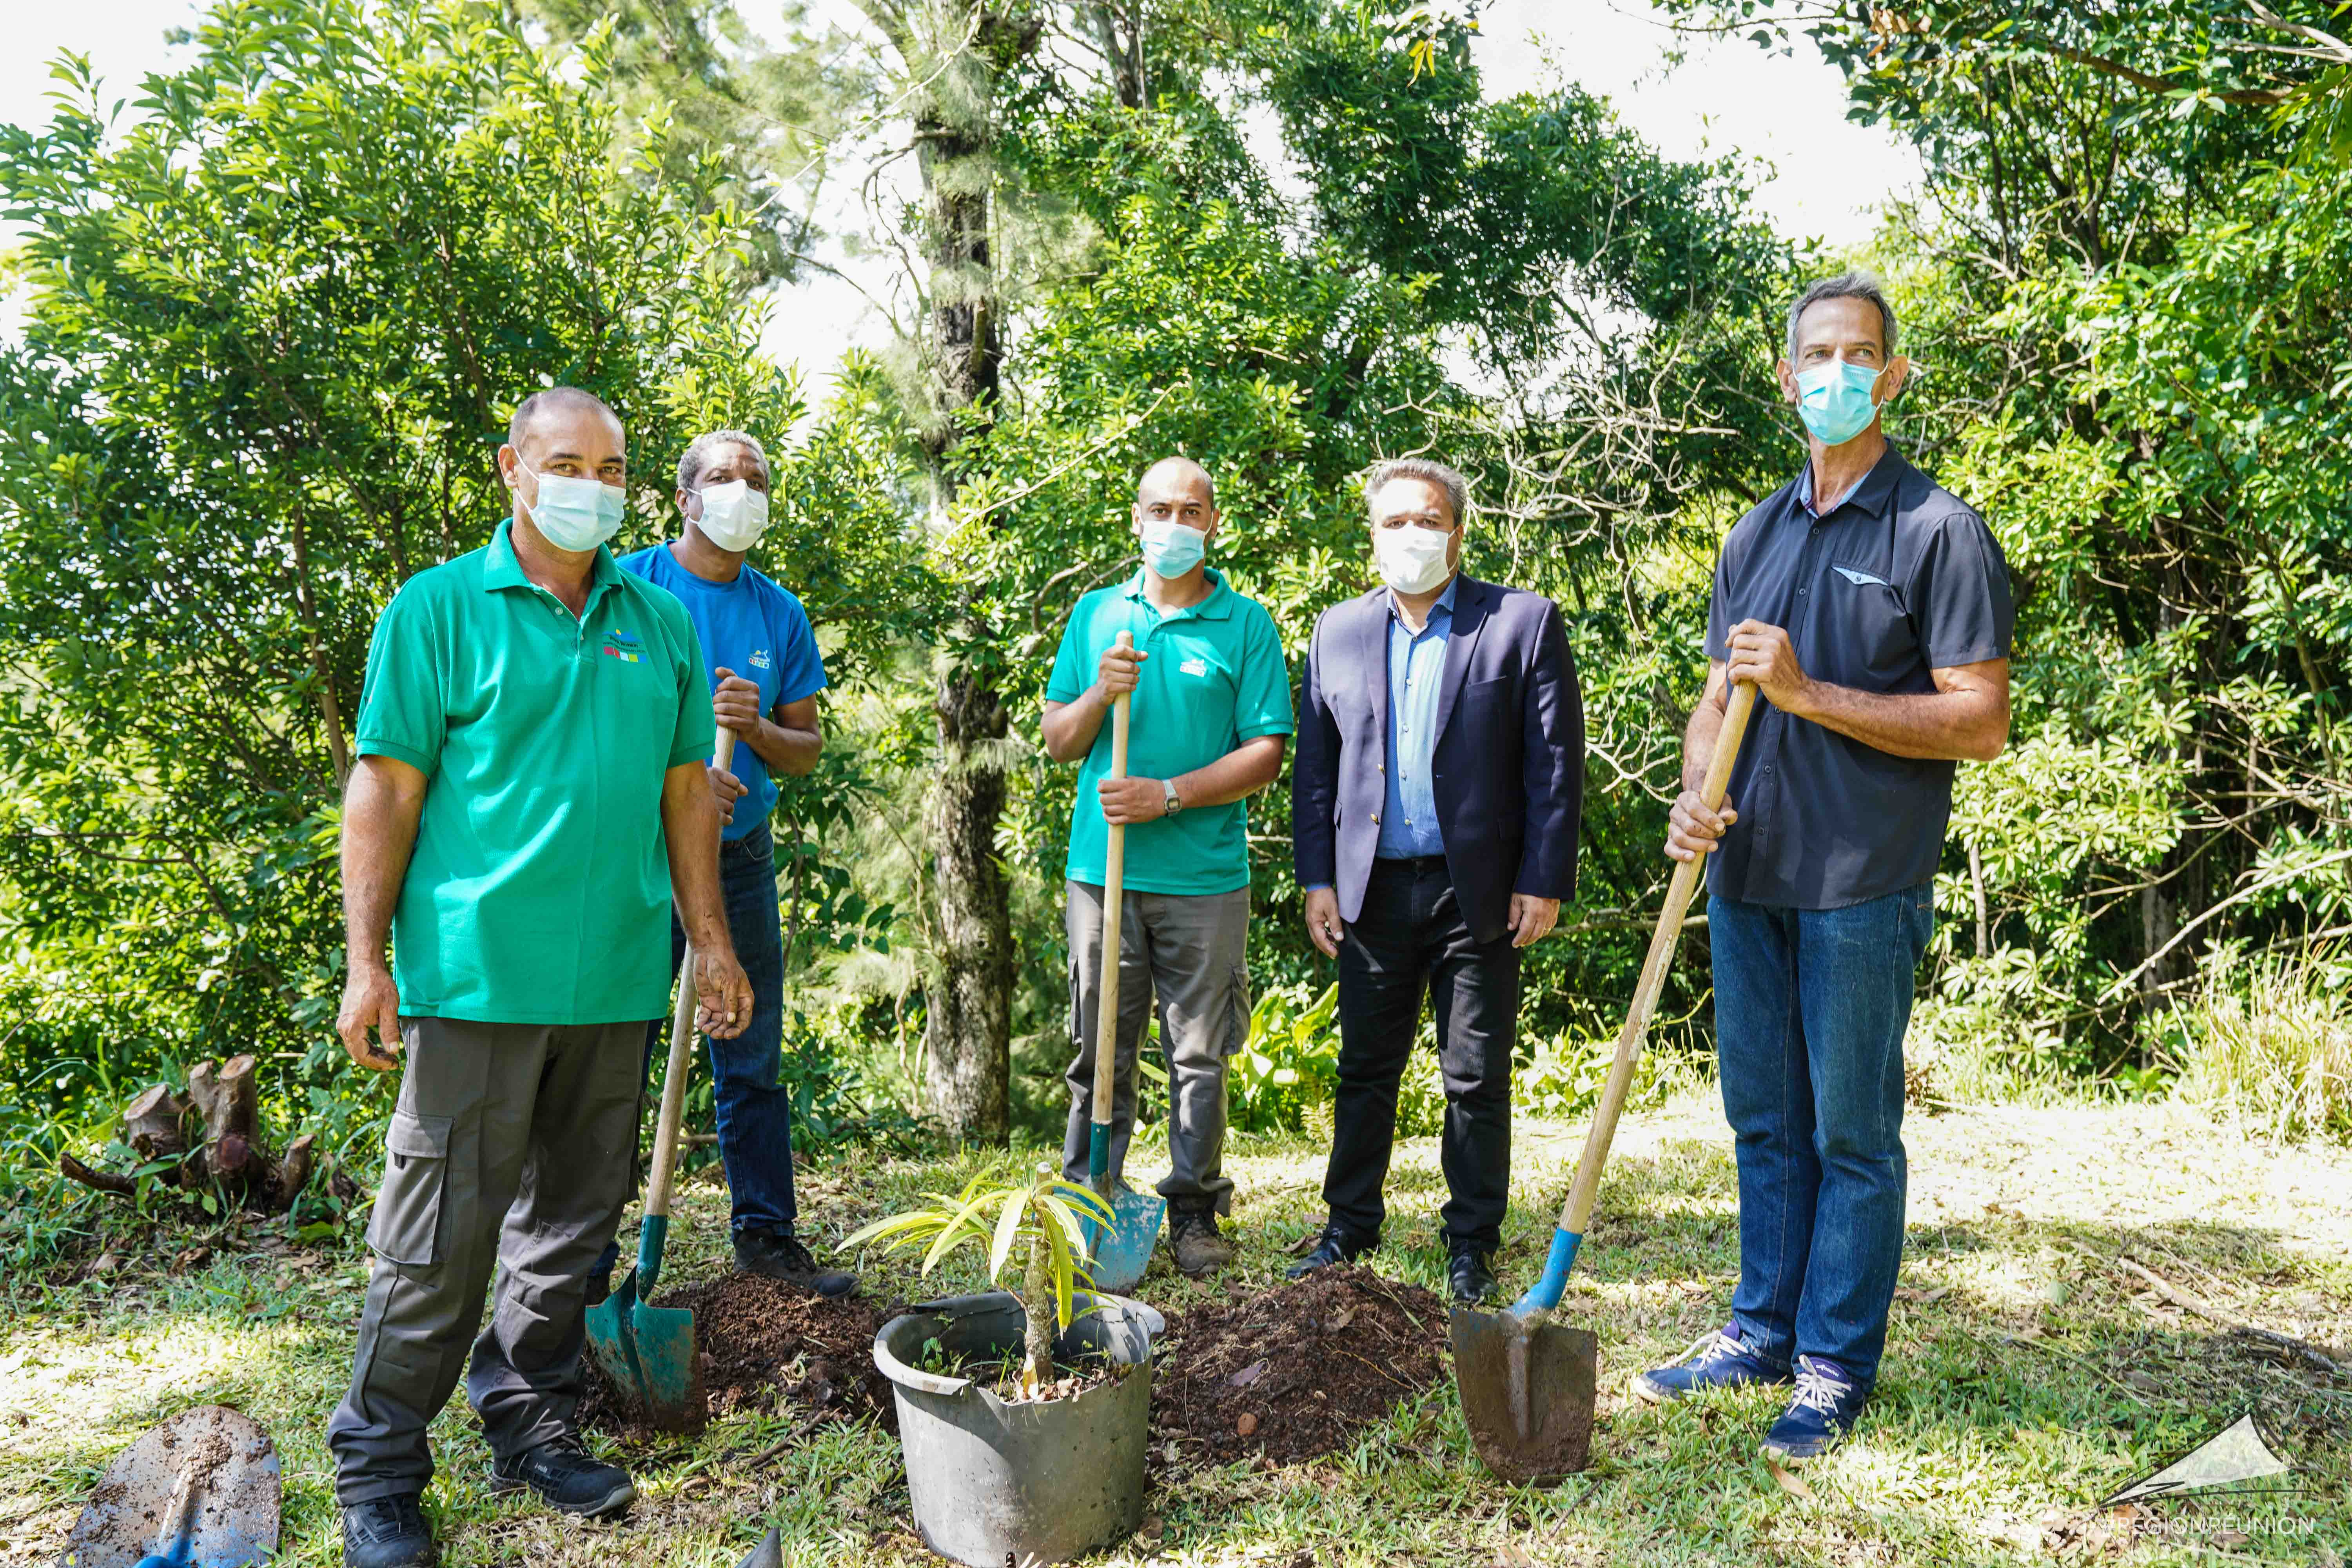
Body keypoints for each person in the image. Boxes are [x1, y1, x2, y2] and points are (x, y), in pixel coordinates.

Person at [326, 387, 753, 1568]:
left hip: (617, 978)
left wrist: (707, 941)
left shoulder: (657, 621)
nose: (592, 486)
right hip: (475, 981)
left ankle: (530, 1420)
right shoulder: (438, 610)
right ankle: (379, 1468)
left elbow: (683, 797)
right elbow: (387, 789)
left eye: (614, 470)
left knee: (572, 1227)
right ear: (512, 467)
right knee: (439, 1239)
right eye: (567, 462)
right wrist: (370, 965)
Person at [1635, 270, 2013, 1460]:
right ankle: (1759, 1330)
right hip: (1751, 876)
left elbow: (1980, 719)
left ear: (1893, 376)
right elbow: (1717, 698)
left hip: (1863, 878)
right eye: (1817, 356)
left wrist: (1811, 695)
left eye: (1862, 355)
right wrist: (1698, 797)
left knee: (1853, 1131)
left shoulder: (1938, 531)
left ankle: (1835, 1361)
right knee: (1764, 1121)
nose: (1837, 373)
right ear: (1787, 374)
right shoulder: (1755, 530)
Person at [1289, 457, 1584, 1307]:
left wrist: (1543, 877)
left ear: (1457, 530)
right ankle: (1348, 1227)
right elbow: (1318, 771)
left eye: (1427, 520)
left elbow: (1553, 767)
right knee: (1365, 1066)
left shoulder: (1520, 623)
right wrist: (1317, 877)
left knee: (1476, 1073)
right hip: (1370, 889)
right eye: (1393, 522)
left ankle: (1471, 1242)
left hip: (1477, 889)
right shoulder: (1336, 631)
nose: (1409, 535)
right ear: (1372, 533)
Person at [595, 428, 854, 1299]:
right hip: (636, 858)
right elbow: (590, 725)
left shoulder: (778, 612)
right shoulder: (629, 588)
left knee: (747, 1045)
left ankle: (768, 1236)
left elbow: (805, 748)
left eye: (756, 478)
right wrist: (677, 783)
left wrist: (751, 731)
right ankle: (588, 1255)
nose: (741, 490)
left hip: (739, 857)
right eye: (721, 477)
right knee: (613, 1054)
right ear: (684, 498)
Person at [1042, 456, 1293, 1278]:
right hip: (1101, 872)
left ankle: (1193, 1208)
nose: (1175, 523)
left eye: (1192, 509)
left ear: (1213, 522)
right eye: (1161, 508)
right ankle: (1091, 1197)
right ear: (1137, 517)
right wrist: (1097, 693)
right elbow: (1058, 739)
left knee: (1199, 1052)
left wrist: (1171, 793)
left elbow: (1265, 754)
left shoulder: (1245, 624)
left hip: (1205, 878)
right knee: (1099, 1042)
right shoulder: (1096, 614)